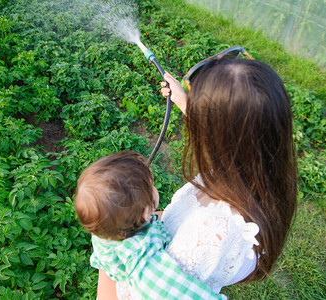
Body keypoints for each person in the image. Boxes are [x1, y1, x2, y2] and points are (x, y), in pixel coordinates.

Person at [98, 56, 297, 298]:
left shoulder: (206, 234)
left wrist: (111, 245)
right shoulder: (260, 168)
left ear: (220, 139)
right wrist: (184, 101)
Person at [74, 150, 227, 300]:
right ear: (145, 213)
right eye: (152, 185)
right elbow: (169, 290)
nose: (155, 188)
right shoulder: (141, 256)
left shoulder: (107, 224)